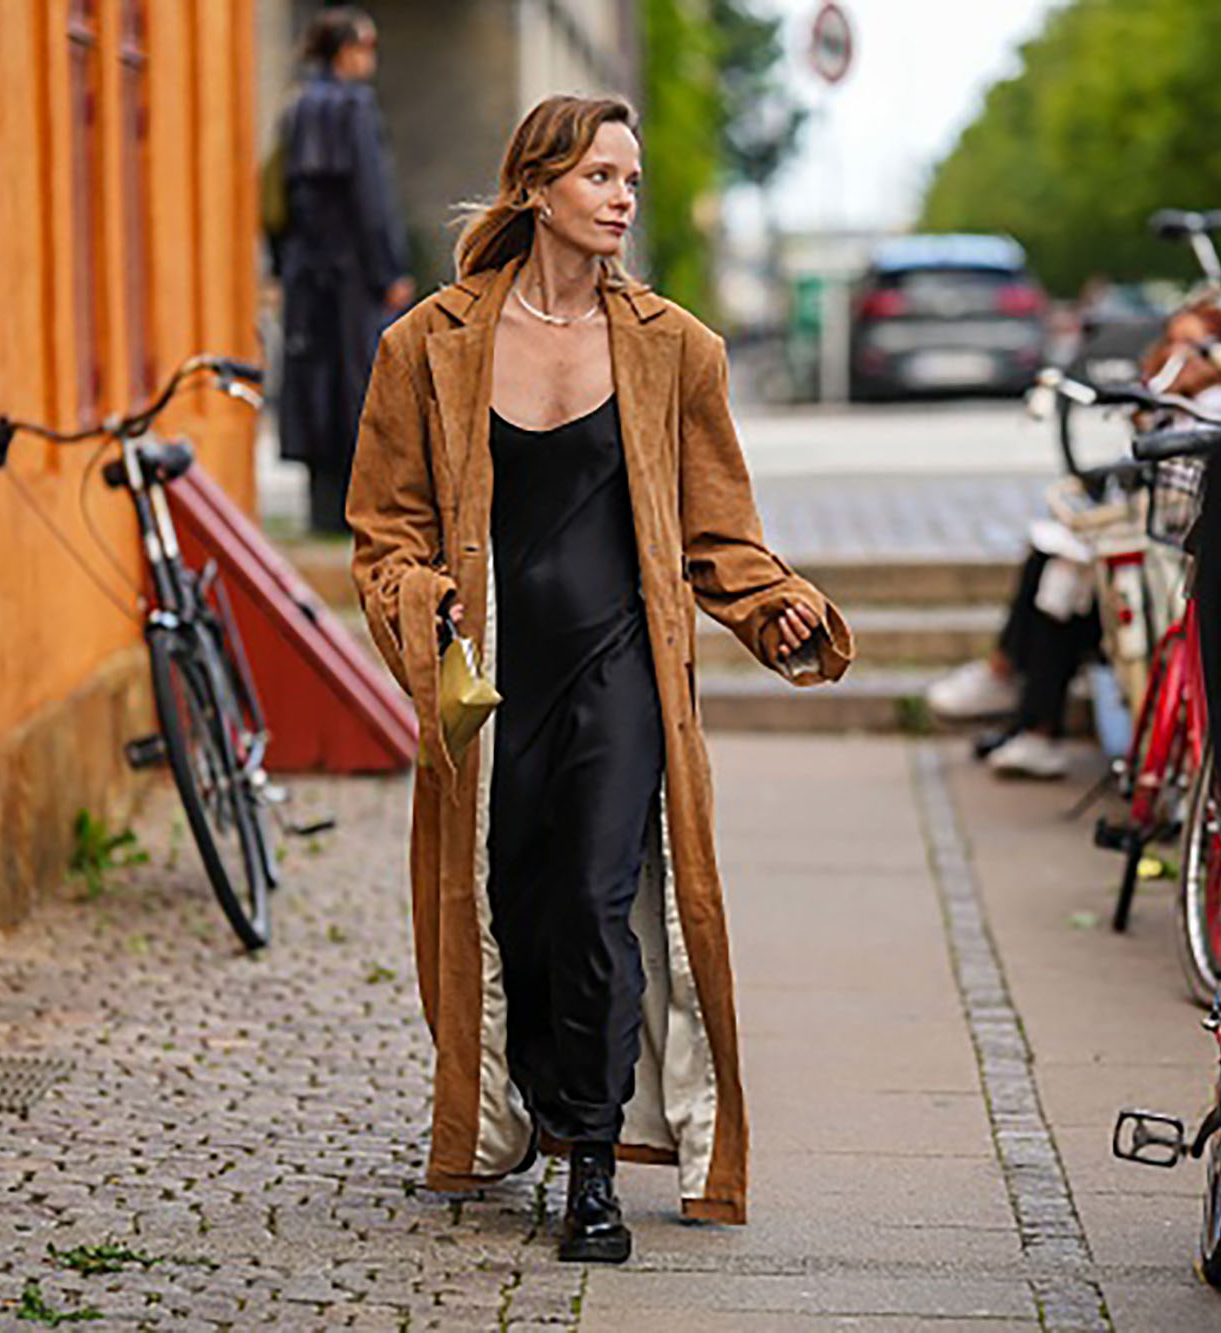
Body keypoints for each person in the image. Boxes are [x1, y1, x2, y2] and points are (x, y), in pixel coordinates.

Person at [346, 96, 852, 1261]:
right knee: (518, 913)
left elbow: (716, 532)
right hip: (495, 677)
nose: (623, 196)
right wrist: (422, 601)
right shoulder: (426, 344)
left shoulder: (676, 347)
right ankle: (530, 1109)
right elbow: (383, 531)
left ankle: (589, 1167)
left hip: (624, 666)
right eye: (601, 176)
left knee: (591, 900)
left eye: (631, 177)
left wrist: (771, 607)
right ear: (536, 186)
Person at [928, 301, 1221, 778]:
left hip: (1174, 562)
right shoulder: (1169, 405)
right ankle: (1026, 711)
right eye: (1175, 342)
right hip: (1156, 556)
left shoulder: (1219, 411)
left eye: (1197, 346)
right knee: (1058, 562)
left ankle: (1021, 699)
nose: (1182, 356)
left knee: (1061, 570)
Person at [270, 6, 412, 534]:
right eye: (366, 46)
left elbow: (278, 194)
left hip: (308, 273)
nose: (371, 58)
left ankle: (322, 510)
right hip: (352, 274)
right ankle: (360, 513)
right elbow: (372, 198)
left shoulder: (298, 107)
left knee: (313, 385)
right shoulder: (355, 108)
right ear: (346, 51)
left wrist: (285, 265)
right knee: (361, 384)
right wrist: (389, 269)